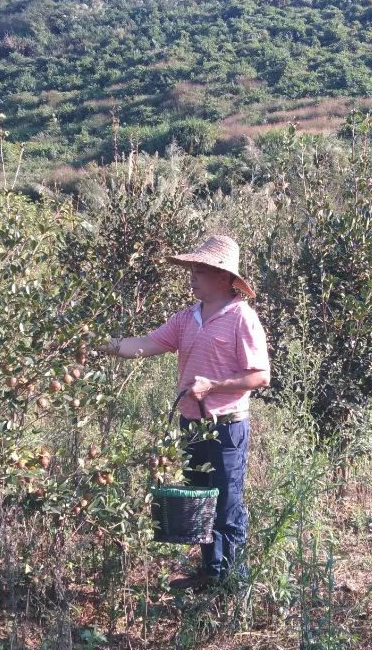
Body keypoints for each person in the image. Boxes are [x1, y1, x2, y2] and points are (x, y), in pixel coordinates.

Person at [102, 234, 270, 589]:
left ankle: (231, 584)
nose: (191, 277)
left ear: (224, 277)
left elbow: (260, 376)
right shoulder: (186, 318)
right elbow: (147, 344)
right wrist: (104, 346)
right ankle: (209, 573)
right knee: (200, 500)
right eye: (191, 270)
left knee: (226, 504)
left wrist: (213, 385)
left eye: (199, 271)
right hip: (191, 424)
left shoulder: (242, 318)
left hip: (225, 427)